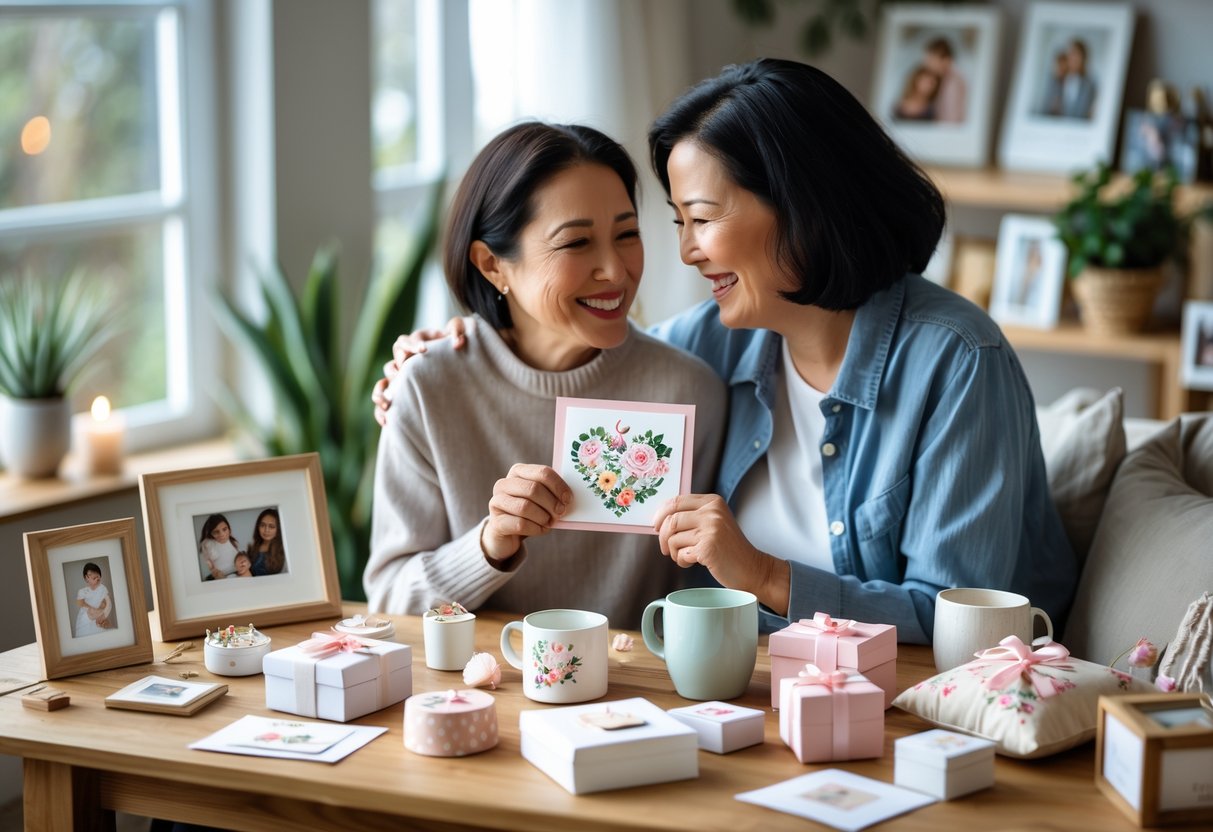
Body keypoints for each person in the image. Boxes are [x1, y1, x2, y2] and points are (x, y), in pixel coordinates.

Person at [376, 60, 1077, 645]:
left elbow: (963, 629)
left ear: (805, 205)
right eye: (677, 223)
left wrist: (763, 574)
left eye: (703, 220)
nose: (683, 251)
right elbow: (575, 354)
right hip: (731, 692)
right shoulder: (707, 347)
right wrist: (452, 345)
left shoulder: (955, 361)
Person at [364, 121, 726, 628]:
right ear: (492, 264)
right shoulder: (428, 388)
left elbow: (700, 594)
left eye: (627, 234)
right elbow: (387, 602)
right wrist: (490, 544)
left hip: (636, 698)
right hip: (478, 691)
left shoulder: (688, 391)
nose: (616, 271)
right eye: (577, 243)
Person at [922, 37, 966, 123]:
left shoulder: (953, 83)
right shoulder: (944, 79)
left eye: (931, 59)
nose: (927, 64)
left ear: (945, 59)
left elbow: (951, 121)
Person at [198, 513, 241, 580]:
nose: (222, 534)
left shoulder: (233, 541)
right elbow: (210, 565)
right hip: (222, 577)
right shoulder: (209, 544)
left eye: (224, 529)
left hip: (238, 573)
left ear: (229, 528)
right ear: (211, 534)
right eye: (216, 532)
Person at [75, 561, 112, 637]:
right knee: (92, 613)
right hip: (87, 617)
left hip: (99, 615)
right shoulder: (83, 591)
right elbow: (80, 603)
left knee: (103, 611)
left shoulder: (102, 588)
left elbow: (108, 603)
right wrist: (92, 608)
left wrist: (104, 615)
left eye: (98, 578)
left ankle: (101, 622)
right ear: (86, 578)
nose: (97, 579)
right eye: (94, 578)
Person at [246, 508, 285, 576]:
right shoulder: (251, 549)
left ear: (278, 529)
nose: (266, 530)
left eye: (271, 526)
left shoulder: (284, 550)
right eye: (263, 525)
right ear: (258, 527)